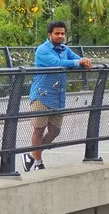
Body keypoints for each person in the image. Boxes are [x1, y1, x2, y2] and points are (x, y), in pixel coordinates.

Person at [23, 20, 92, 171]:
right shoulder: (42, 50)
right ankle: (38, 163)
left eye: (62, 33)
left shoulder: (65, 49)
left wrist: (85, 62)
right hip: (41, 95)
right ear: (50, 34)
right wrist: (78, 62)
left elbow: (75, 60)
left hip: (58, 97)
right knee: (39, 130)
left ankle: (31, 155)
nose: (60, 36)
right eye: (57, 33)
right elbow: (58, 63)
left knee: (55, 131)